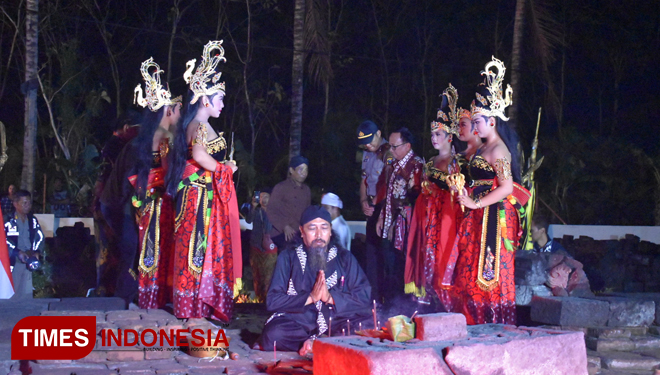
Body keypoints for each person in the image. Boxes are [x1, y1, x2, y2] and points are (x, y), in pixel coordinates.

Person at [443, 57, 528, 325]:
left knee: (487, 271)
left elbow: (504, 187)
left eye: (478, 121)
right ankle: (468, 320)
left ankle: (489, 322)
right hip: (476, 213)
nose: (475, 126)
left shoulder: (499, 150)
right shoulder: (482, 148)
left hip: (492, 215)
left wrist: (476, 204)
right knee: (468, 267)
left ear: (492, 121)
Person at [167, 40, 241, 321]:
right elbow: (198, 153)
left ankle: (204, 305)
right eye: (219, 99)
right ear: (205, 100)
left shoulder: (203, 125)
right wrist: (224, 170)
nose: (222, 104)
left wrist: (222, 168)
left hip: (206, 196)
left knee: (208, 249)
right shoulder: (196, 126)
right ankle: (194, 306)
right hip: (199, 198)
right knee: (198, 249)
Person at [257, 205, 371, 354]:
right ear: (302, 232)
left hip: (336, 320)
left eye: (324, 228)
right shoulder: (288, 257)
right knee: (273, 335)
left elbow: (364, 296)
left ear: (330, 231)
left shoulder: (345, 258)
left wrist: (331, 298)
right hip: (300, 321)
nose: (319, 234)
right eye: (312, 228)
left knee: (367, 326)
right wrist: (310, 298)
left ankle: (318, 343)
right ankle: (326, 344)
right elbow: (273, 301)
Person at [128, 58, 181, 309]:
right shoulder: (166, 138)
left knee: (148, 246)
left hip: (144, 199)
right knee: (160, 247)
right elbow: (170, 172)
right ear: (167, 111)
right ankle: (158, 299)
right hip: (161, 200)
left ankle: (147, 296)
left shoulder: (147, 135)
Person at [405, 85, 463, 308]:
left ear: (450, 136)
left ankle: (445, 304)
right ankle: (426, 303)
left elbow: (456, 192)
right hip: (427, 220)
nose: (433, 138)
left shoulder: (457, 162)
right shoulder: (429, 163)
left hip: (445, 221)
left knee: (442, 262)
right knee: (425, 259)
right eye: (432, 134)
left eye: (438, 134)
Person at [91, 111, 140, 297]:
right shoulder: (119, 146)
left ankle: (111, 290)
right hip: (112, 205)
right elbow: (102, 181)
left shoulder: (117, 145)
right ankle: (111, 291)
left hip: (111, 203)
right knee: (112, 250)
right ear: (127, 128)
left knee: (114, 250)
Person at [376, 127, 424, 304]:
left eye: (395, 146)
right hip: (389, 223)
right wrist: (383, 216)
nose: (391, 150)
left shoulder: (416, 166)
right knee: (388, 266)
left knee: (401, 267)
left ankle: (403, 308)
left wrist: (396, 224)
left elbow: (415, 199)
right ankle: (390, 306)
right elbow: (389, 194)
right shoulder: (393, 165)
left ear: (407, 146)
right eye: (390, 146)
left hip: (404, 228)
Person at [356, 120, 390, 302]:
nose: (368, 145)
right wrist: (363, 200)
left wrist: (380, 206)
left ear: (378, 133)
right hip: (370, 208)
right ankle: (373, 298)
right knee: (371, 255)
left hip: (385, 208)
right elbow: (364, 180)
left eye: (370, 140)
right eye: (364, 142)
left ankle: (388, 297)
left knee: (385, 255)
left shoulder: (389, 152)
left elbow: (389, 184)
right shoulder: (366, 154)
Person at [4, 190, 44, 299]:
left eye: (29, 203)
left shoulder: (32, 220)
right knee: (11, 295)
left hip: (28, 263)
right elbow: (3, 241)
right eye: (24, 203)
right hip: (12, 263)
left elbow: (39, 237)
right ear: (15, 204)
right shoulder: (8, 220)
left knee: (26, 295)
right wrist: (17, 252)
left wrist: (36, 251)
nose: (28, 206)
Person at [267, 156, 311, 250]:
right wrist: (284, 226)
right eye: (301, 169)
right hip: (281, 233)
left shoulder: (306, 190)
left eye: (306, 170)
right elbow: (271, 211)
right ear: (291, 170)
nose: (304, 173)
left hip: (299, 234)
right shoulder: (280, 188)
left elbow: (308, 213)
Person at [246, 188, 277, 301]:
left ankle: (268, 299)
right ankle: (259, 299)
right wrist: (253, 206)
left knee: (269, 275)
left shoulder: (275, 212)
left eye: (266, 197)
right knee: (257, 274)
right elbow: (248, 221)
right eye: (262, 197)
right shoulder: (256, 210)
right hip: (256, 247)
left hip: (270, 248)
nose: (264, 199)